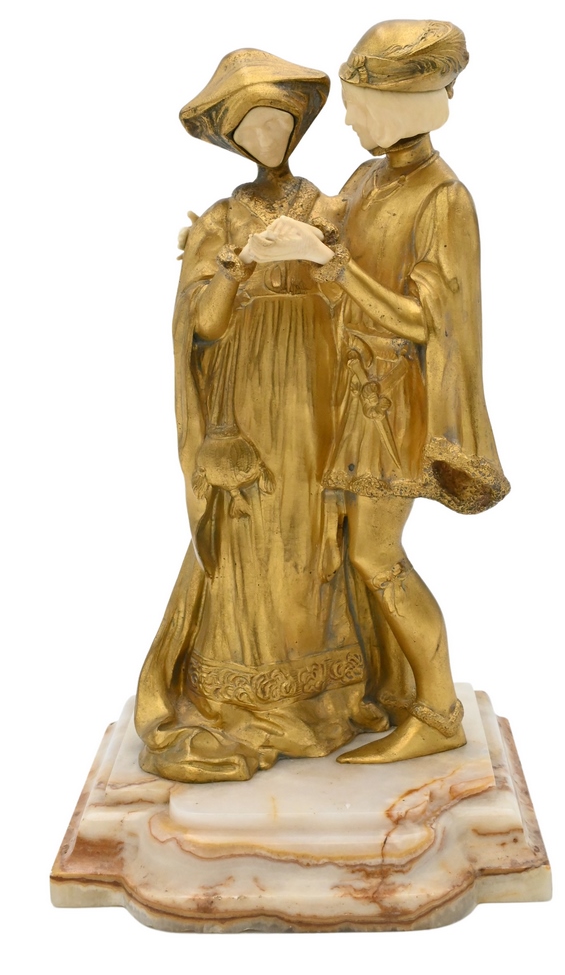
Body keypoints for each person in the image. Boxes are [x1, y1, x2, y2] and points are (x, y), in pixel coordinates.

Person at [255, 21, 510, 763]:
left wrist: (330, 267)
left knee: (375, 556)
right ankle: (381, 684)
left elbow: (428, 321)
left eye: (357, 106)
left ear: (400, 106)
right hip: (343, 388)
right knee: (340, 548)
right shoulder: (370, 178)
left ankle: (437, 711)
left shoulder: (443, 198)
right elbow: (322, 228)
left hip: (389, 403)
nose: (346, 120)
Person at [134, 49, 390, 783]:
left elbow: (359, 297)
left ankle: (323, 692)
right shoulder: (221, 219)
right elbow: (203, 325)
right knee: (250, 527)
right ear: (235, 140)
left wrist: (320, 262)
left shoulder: (331, 207)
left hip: (316, 387)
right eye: (252, 128)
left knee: (315, 527)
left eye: (277, 122)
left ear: (296, 127)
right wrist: (237, 265)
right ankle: (243, 687)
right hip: (244, 395)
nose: (267, 138)